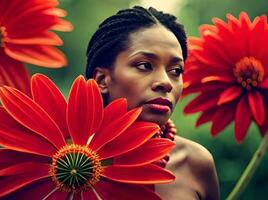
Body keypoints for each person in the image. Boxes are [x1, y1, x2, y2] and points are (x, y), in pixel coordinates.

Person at [85, 6, 220, 200]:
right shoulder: (63, 164)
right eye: (145, 65)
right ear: (102, 80)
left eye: (176, 70)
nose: (166, 82)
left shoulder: (196, 162)